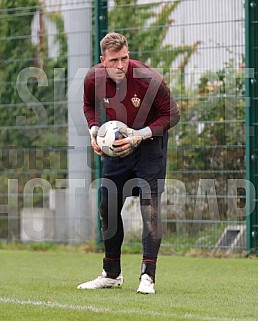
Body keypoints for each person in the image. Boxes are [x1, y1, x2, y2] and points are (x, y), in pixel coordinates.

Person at [77, 32, 180, 294]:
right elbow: (89, 105)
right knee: (107, 205)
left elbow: (173, 114)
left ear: (128, 54)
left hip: (149, 146)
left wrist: (139, 135)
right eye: (114, 60)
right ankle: (111, 273)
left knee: (150, 209)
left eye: (124, 58)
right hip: (117, 150)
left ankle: (148, 276)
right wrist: (94, 131)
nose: (120, 65)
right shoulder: (93, 78)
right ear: (103, 60)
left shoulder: (149, 79)